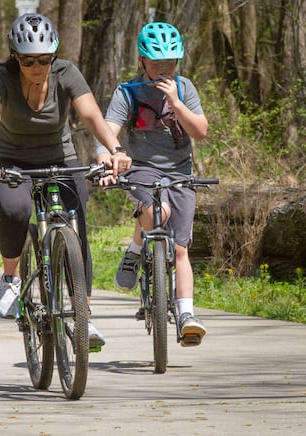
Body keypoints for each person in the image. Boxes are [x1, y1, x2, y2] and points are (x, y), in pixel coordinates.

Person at [0, 13, 131, 348]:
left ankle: (83, 317)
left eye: (44, 59)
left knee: (78, 223)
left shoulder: (66, 73)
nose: (36, 66)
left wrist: (115, 148)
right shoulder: (1, 76)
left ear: (53, 57)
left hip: (59, 158)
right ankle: (10, 278)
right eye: (28, 60)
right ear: (16, 57)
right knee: (16, 211)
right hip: (9, 162)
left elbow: (90, 113)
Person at [98, 22, 209, 346]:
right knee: (154, 210)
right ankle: (135, 249)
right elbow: (107, 132)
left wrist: (176, 103)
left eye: (170, 62)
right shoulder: (127, 92)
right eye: (157, 62)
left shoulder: (184, 88)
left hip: (180, 171)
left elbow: (200, 131)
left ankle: (186, 314)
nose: (164, 69)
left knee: (179, 248)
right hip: (141, 168)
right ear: (141, 60)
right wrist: (107, 157)